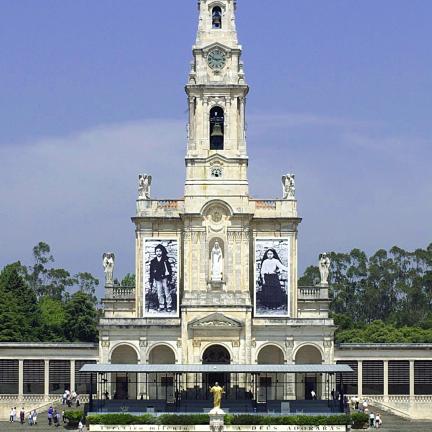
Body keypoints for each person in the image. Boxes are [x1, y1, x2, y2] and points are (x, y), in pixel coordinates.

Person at [149, 244, 173, 312]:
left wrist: (169, 279)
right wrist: (151, 280)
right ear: (155, 252)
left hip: (165, 278)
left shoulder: (165, 260)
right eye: (157, 251)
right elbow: (151, 272)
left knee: (167, 292)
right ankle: (161, 305)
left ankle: (169, 306)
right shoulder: (153, 261)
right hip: (157, 279)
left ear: (162, 252)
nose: (158, 252)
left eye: (160, 251)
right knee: (159, 293)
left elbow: (169, 270)